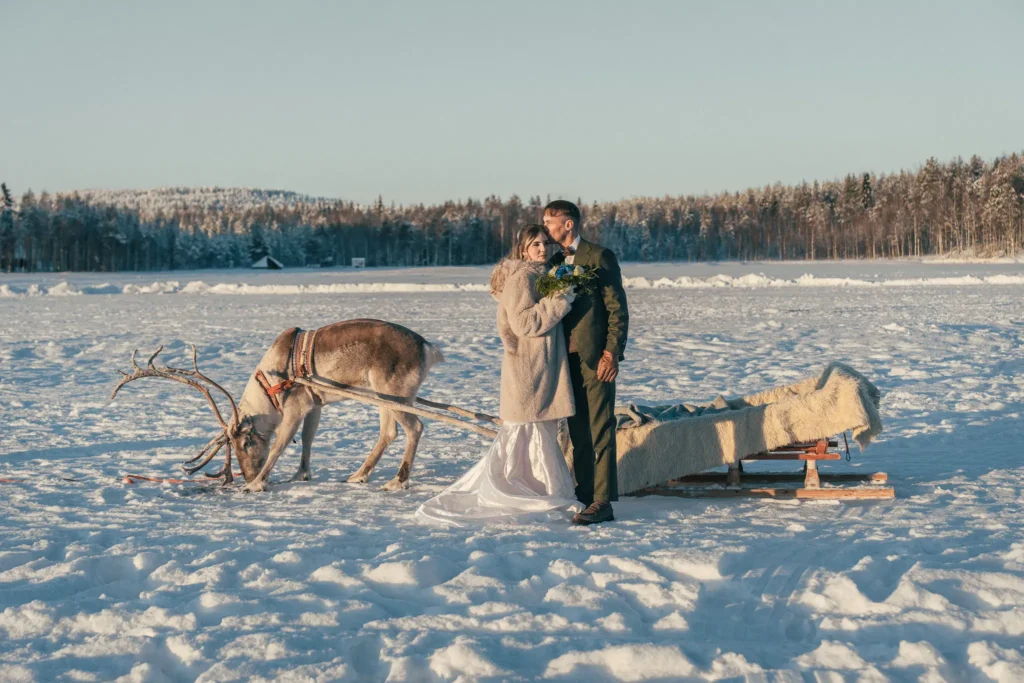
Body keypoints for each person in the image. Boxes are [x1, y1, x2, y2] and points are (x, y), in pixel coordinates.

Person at [415, 225, 583, 526]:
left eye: (546, 243)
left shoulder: (538, 276)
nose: (543, 249)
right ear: (522, 249)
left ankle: (540, 490)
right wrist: (559, 299)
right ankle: (525, 493)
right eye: (535, 245)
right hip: (529, 372)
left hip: (539, 368)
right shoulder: (522, 278)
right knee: (527, 436)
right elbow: (524, 325)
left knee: (537, 435)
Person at [544, 200, 628, 525]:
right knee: (578, 432)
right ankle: (585, 494)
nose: (548, 228)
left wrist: (611, 353)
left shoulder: (599, 256)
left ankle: (603, 503)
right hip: (565, 361)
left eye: (551, 222)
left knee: (601, 429)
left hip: (596, 358)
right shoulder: (554, 262)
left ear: (568, 224)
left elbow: (617, 310)